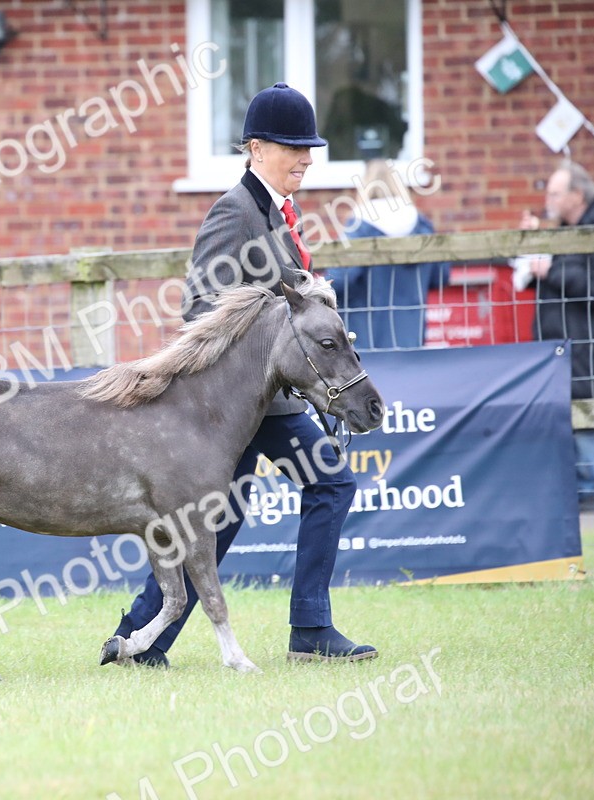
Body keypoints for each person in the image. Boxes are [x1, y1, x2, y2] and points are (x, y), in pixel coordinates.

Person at [109, 82, 376, 666]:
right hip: (246, 401)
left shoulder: (280, 212)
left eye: (310, 147)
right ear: (257, 149)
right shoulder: (234, 212)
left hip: (268, 400)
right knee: (330, 483)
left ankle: (137, 639)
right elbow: (200, 307)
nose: (307, 157)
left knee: (221, 518)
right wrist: (272, 337)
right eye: (294, 146)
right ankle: (310, 630)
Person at [520, 161, 594, 510]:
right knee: (572, 420)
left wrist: (551, 269)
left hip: (592, 346)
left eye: (554, 193)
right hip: (565, 346)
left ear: (577, 195)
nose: (547, 199)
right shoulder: (568, 230)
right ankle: (586, 495)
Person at [326, 159, 449, 350]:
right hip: (412, 337)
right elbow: (441, 276)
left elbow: (339, 281)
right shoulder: (422, 225)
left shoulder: (359, 227)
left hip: (366, 341)